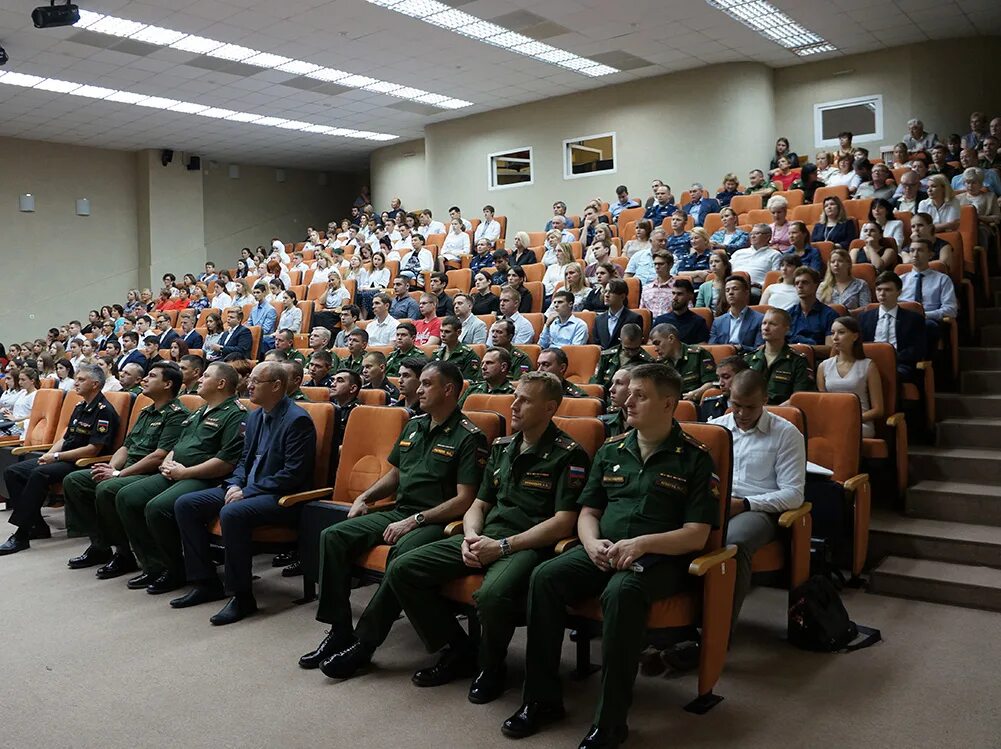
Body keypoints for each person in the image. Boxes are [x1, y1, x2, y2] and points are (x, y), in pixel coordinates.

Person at [503, 363, 717, 748]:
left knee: (622, 593)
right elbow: (589, 513)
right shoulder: (611, 450)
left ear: (669, 403)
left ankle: (611, 720)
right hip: (603, 548)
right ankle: (541, 698)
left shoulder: (695, 458)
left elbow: (696, 534)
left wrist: (643, 544)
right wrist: (589, 543)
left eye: (640, 395)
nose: (627, 400)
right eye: (628, 392)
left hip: (660, 558)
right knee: (545, 577)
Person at [376, 372, 590, 702]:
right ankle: (459, 649)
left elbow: (563, 522)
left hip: (526, 545)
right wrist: (471, 536)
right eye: (515, 396)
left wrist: (503, 546)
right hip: (484, 536)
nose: (514, 405)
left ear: (550, 408)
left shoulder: (568, 454)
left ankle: (491, 667)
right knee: (403, 569)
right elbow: (479, 503)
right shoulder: (503, 447)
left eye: (525, 400)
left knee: (491, 596)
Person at [298, 361, 488, 677]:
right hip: (400, 511)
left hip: (437, 522)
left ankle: (365, 643)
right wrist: (365, 497)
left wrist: (415, 520)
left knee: (402, 556)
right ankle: (340, 629)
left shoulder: (470, 437)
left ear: (448, 389)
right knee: (333, 536)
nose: (418, 389)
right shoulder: (414, 425)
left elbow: (465, 500)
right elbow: (396, 474)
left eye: (427, 384)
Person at [169, 363, 315, 625]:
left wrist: (246, 491)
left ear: (276, 386)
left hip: (282, 496)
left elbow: (292, 475)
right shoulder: (255, 416)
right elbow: (243, 461)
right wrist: (236, 484)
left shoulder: (298, 420)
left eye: (256, 381)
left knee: (232, 512)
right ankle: (205, 581)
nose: (249, 385)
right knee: (186, 504)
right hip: (249, 488)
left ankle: (242, 596)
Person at [109, 363, 247, 594]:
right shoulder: (199, 411)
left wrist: (184, 472)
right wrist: (168, 462)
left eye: (206, 376)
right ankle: (153, 565)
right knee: (126, 496)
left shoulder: (236, 414)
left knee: (157, 507)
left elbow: (226, 462)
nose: (200, 379)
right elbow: (179, 444)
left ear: (221, 383)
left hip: (204, 477)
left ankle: (174, 569)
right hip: (176, 471)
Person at [62, 363, 189, 574]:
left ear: (167, 384)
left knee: (107, 488)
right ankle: (100, 545)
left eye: (151, 376)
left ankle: (123, 552)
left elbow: (159, 456)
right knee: (74, 480)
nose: (144, 380)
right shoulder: (147, 411)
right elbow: (126, 446)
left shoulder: (176, 414)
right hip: (126, 469)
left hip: (148, 473)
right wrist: (110, 467)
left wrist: (117, 474)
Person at [710, 370, 805, 635]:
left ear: (765, 399)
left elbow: (793, 494)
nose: (740, 413)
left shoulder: (786, 434)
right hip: (719, 503)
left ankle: (717, 636)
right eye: (735, 404)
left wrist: (745, 503)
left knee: (734, 542)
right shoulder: (717, 427)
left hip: (760, 509)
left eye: (750, 406)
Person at [1, 364, 120, 555]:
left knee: (39, 474)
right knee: (13, 472)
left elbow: (93, 449)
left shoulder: (104, 411)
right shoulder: (80, 406)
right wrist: (50, 455)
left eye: (82, 380)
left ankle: (21, 534)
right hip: (62, 457)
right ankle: (37, 526)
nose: (76, 383)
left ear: (95, 384)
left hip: (81, 462)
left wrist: (56, 456)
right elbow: (65, 439)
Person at [817, 317, 884, 438]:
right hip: (833, 422)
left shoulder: (868, 365)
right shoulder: (823, 366)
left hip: (860, 422)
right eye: (832, 333)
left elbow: (878, 410)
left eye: (841, 332)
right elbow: (822, 404)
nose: (835, 338)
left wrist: (852, 419)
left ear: (855, 336)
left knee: (839, 433)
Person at [745, 308, 815, 405]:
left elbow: (801, 397)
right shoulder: (749, 359)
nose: (766, 328)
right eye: (764, 323)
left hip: (782, 413)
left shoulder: (797, 361)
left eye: (772, 324)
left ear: (786, 329)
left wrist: (775, 411)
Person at [647, 323, 715, 401]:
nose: (655, 349)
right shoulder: (660, 363)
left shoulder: (698, 354)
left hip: (696, 403)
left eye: (657, 343)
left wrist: (695, 394)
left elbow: (711, 383)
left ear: (671, 338)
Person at [900, 238, 958, 326]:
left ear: (930, 255)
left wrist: (925, 315)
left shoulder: (942, 279)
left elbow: (951, 309)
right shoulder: (900, 280)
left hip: (928, 320)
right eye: (912, 251)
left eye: (920, 250)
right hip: (903, 319)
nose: (915, 255)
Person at [591, 323, 651, 393]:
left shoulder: (647, 361)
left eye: (635, 349)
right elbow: (596, 381)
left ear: (641, 340)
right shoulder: (607, 356)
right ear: (620, 340)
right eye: (627, 349)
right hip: (607, 396)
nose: (631, 353)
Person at [709, 275, 764, 352]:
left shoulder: (760, 319)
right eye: (727, 290)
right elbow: (712, 348)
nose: (730, 293)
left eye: (735, 289)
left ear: (746, 293)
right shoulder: (718, 322)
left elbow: (760, 349)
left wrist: (740, 348)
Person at [787, 267, 838, 346]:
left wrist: (803, 349)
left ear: (816, 285)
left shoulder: (830, 315)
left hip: (818, 358)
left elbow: (830, 349)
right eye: (797, 283)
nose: (800, 286)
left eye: (805, 282)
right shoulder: (788, 314)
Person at [652, 279, 709, 344]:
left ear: (690, 296)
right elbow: (651, 344)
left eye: (679, 294)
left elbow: (703, 346)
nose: (674, 298)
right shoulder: (660, 320)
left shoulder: (698, 322)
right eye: (673, 293)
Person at [730, 224, 782, 293]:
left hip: (755, 288)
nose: (753, 236)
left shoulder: (774, 255)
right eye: (751, 234)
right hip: (731, 285)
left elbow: (775, 278)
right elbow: (726, 269)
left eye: (757, 233)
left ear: (768, 237)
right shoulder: (738, 253)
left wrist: (760, 285)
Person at [593, 280, 643, 350]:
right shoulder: (598, 319)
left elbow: (634, 345)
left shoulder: (634, 318)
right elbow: (596, 345)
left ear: (622, 296)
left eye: (611, 292)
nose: (606, 295)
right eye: (605, 291)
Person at [699, 355, 749, 421]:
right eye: (718, 378)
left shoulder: (755, 406)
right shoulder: (708, 405)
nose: (720, 383)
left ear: (742, 377)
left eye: (726, 377)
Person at [597, 367, 632, 437]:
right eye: (612, 383)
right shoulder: (601, 424)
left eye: (619, 383)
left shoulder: (649, 427)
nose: (611, 389)